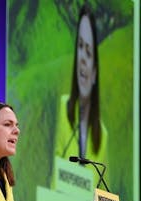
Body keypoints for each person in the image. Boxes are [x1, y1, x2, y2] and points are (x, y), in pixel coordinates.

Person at [53, 5, 107, 181]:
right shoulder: (63, 108)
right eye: (80, 47)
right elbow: (54, 175)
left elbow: (104, 199)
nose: (82, 58)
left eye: (89, 52)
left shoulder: (103, 136)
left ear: (95, 72)